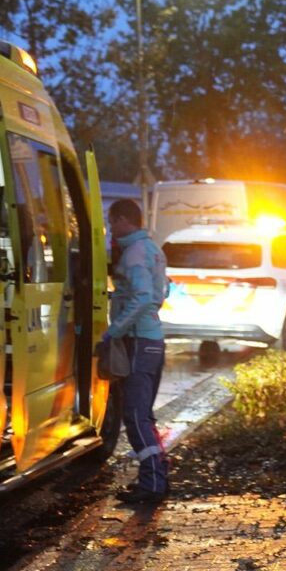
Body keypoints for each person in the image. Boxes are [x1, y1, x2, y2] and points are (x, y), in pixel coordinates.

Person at [103, 198, 170, 505]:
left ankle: (152, 484)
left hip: (139, 341)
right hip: (152, 340)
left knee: (134, 414)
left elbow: (142, 297)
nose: (109, 228)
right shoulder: (152, 249)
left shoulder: (133, 254)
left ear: (123, 220)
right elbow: (162, 290)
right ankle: (156, 476)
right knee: (143, 414)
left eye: (111, 221)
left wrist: (114, 330)